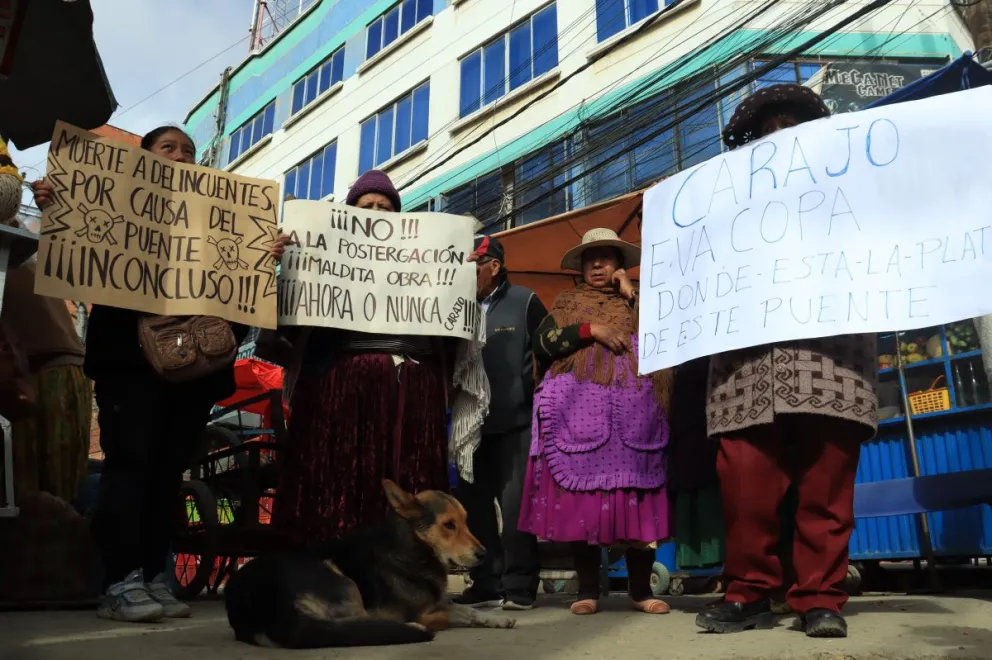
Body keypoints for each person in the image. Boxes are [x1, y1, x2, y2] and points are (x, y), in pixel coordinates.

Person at [31, 126, 291, 623]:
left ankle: (153, 573)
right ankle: (119, 579)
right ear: (143, 160)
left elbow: (235, 301)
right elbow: (81, 259)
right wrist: (58, 213)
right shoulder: (117, 215)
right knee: (131, 464)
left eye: (189, 152)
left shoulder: (217, 227)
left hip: (192, 369)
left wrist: (261, 262)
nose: (181, 156)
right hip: (131, 365)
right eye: (167, 148)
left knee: (168, 471)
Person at [695, 84, 878, 639]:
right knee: (746, 489)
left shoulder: (858, 190)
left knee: (825, 488)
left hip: (831, 358)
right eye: (766, 129)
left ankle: (821, 596)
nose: (779, 136)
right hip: (744, 365)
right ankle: (748, 591)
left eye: (791, 125)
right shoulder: (717, 203)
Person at [271, 169, 453, 545]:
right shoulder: (319, 255)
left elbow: (450, 329)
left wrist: (458, 275)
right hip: (339, 384)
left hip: (410, 387)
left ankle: (407, 569)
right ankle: (331, 562)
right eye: (366, 205)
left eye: (385, 206)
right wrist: (280, 264)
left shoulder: (426, 259)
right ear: (350, 212)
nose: (376, 211)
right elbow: (283, 322)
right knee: (335, 473)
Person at [518, 228, 673, 616]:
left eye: (606, 258)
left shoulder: (641, 301)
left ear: (620, 265)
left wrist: (632, 291)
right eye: (591, 259)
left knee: (636, 495)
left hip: (636, 417)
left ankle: (640, 591)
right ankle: (587, 590)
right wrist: (591, 330)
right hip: (579, 418)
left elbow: (662, 333)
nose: (598, 265)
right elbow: (543, 344)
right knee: (584, 502)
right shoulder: (567, 303)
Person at [454, 236, 545, 611]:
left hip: (516, 424)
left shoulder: (525, 301)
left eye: (473, 265)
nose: (466, 273)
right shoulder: (453, 307)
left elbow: (551, 350)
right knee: (473, 510)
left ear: (493, 265)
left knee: (514, 509)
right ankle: (486, 583)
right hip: (467, 427)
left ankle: (520, 586)